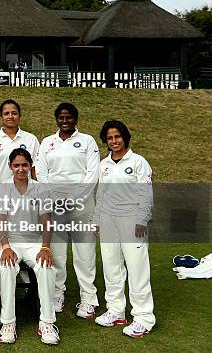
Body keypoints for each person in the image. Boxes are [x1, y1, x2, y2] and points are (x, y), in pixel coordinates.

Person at [35, 103, 99, 317]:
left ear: (75, 119)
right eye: (61, 117)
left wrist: (75, 198)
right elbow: (41, 173)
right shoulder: (47, 142)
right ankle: (57, 294)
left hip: (82, 204)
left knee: (84, 254)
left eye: (69, 117)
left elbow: (92, 173)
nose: (65, 120)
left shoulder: (87, 141)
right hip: (54, 204)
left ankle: (88, 298)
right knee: (58, 253)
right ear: (56, 119)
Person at [93, 120, 155, 338]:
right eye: (109, 138)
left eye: (117, 136)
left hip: (132, 221)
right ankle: (116, 311)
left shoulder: (138, 162)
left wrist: (141, 219)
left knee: (137, 269)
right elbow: (100, 195)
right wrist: (97, 220)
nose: (114, 141)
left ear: (125, 137)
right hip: (109, 220)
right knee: (112, 268)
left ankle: (144, 317)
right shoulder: (104, 165)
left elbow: (145, 194)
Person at [0, 148, 59, 345]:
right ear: (10, 167)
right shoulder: (3, 189)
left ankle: (47, 322)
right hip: (10, 242)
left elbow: (46, 220)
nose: (21, 169)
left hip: (34, 242)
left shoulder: (41, 189)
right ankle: (8, 322)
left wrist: (46, 248)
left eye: (24, 165)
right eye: (16, 165)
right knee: (6, 267)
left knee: (46, 268)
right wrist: (5, 247)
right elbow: (1, 220)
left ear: (30, 165)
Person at [0, 99, 40, 183]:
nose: (10, 116)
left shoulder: (31, 139)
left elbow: (34, 169)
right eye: (6, 113)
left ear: (19, 115)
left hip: (26, 193)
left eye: (14, 113)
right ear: (1, 116)